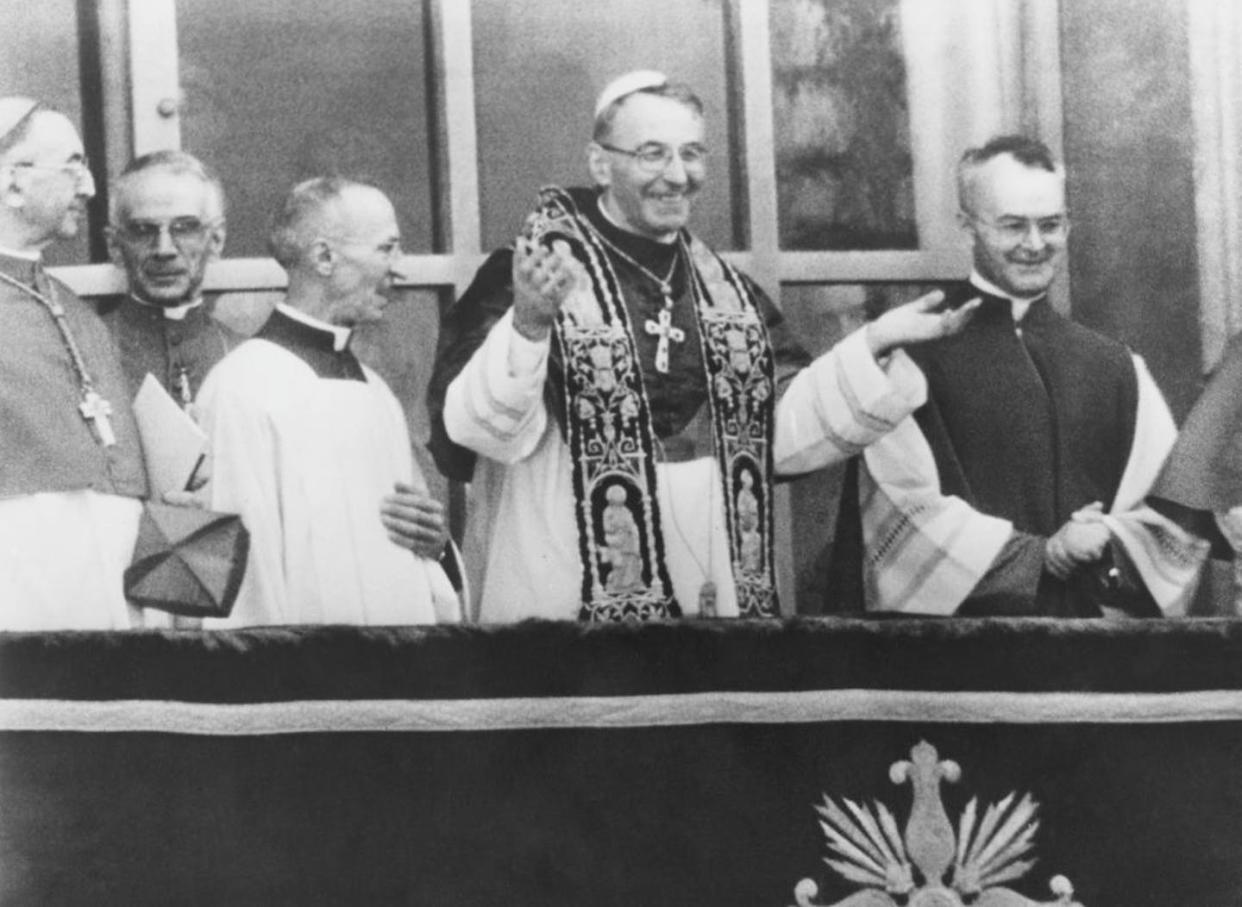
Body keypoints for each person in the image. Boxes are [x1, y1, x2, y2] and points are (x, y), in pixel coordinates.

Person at [428, 71, 975, 623]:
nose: (677, 176)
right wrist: (527, 324)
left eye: (691, 154)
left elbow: (777, 430)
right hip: (568, 584)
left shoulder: (727, 295)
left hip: (706, 578)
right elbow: (478, 433)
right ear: (600, 163)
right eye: (651, 154)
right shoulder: (530, 274)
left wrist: (876, 341)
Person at [828, 135, 1208, 617]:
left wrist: (1107, 542)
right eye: (1012, 226)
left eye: (1050, 225)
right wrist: (1042, 555)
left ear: (1068, 226)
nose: (1034, 244)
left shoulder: (1115, 368)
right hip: (958, 665)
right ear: (967, 226)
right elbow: (899, 518)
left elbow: (1176, 516)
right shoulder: (913, 360)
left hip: (1092, 664)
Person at [195, 177, 460, 626]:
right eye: (386, 248)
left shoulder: (376, 391)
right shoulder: (243, 388)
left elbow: (412, 556)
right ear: (323, 257)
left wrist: (435, 544)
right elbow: (246, 587)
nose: (401, 268)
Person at [0, 97, 147, 629]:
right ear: (13, 183)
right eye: (73, 166)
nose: (88, 188)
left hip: (107, 590)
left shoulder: (72, 307)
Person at [100, 150, 242, 406]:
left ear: (216, 240)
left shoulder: (242, 356)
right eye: (143, 230)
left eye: (185, 227)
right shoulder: (86, 350)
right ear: (115, 246)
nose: (164, 249)